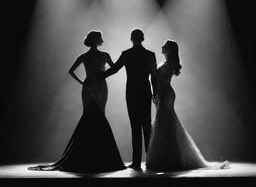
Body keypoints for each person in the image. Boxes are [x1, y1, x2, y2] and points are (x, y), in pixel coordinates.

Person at [28, 30, 125, 173]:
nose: (101, 40)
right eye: (100, 38)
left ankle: (87, 154)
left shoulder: (84, 56)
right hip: (100, 86)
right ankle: (101, 155)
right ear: (97, 40)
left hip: (88, 86)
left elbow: (71, 71)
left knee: (88, 116)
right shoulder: (104, 55)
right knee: (99, 117)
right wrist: (102, 76)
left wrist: (83, 83)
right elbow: (114, 69)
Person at [146, 40, 230, 171]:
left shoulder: (170, 63)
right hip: (162, 94)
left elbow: (159, 78)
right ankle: (167, 157)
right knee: (165, 122)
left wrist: (153, 70)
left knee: (164, 122)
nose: (162, 47)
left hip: (165, 94)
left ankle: (169, 158)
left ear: (169, 50)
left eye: (165, 46)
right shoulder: (166, 63)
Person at [99, 29, 157, 170]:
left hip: (131, 92)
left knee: (135, 126)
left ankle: (136, 162)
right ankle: (150, 160)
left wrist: (99, 76)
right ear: (142, 38)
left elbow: (115, 69)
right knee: (147, 126)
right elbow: (154, 77)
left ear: (131, 38)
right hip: (145, 91)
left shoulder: (127, 54)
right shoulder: (150, 54)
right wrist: (155, 93)